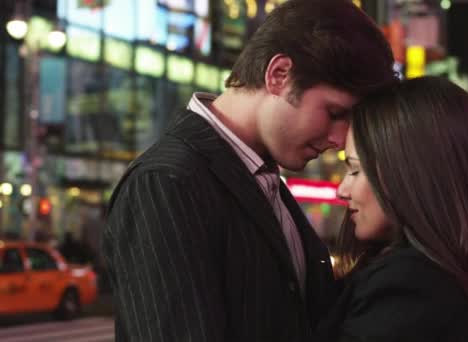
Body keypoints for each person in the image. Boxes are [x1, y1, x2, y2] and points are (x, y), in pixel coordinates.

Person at [102, 0, 396, 341]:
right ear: (279, 74)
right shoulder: (168, 182)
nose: (339, 139)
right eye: (333, 113)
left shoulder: (260, 175)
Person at [318, 76, 468, 342]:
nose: (342, 190)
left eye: (355, 169)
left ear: (410, 175)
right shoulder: (460, 270)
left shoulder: (407, 287)